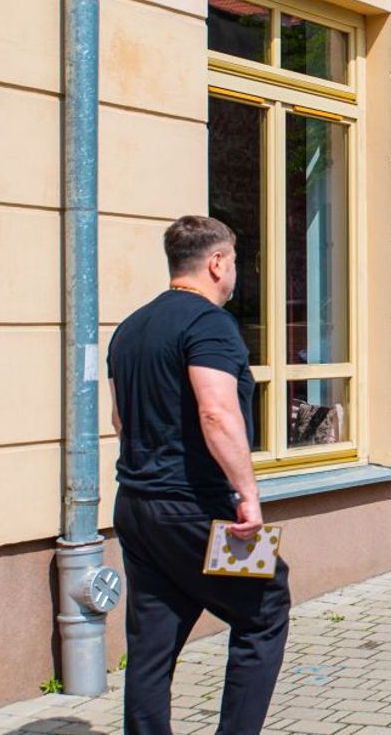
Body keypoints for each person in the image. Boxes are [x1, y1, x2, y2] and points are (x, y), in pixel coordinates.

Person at [108, 215, 289, 734]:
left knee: (152, 644)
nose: (234, 273)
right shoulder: (210, 324)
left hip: (136, 506)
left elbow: (119, 421)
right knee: (266, 606)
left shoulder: (129, 329)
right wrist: (247, 494)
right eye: (233, 261)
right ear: (216, 262)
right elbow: (216, 412)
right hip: (195, 507)